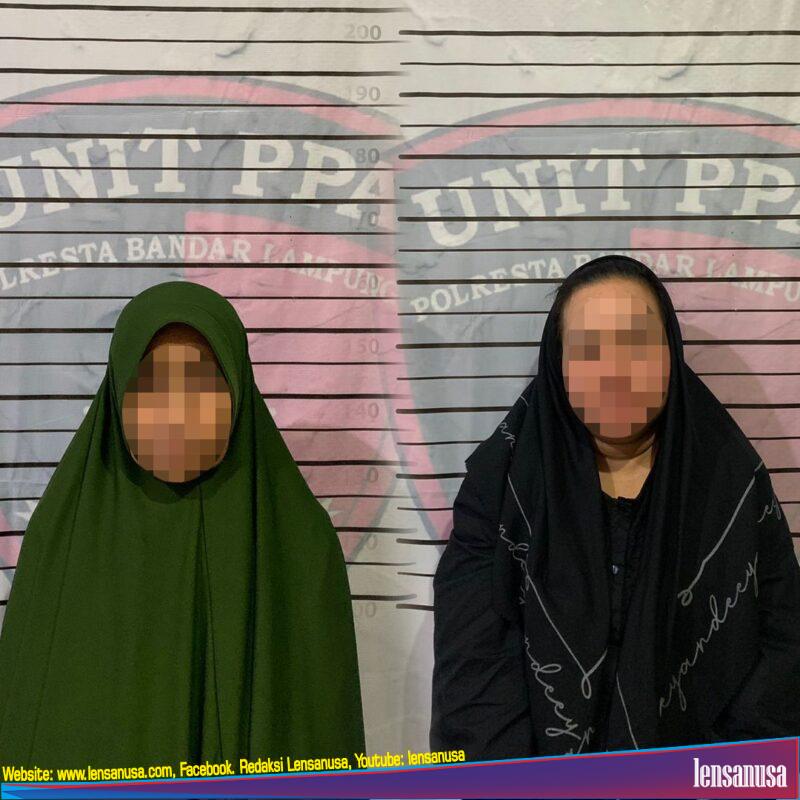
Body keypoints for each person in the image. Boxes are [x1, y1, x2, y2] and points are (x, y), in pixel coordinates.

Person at [430, 254, 800, 758]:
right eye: (589, 350)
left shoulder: (731, 481)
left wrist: (707, 777)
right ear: (558, 365)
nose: (615, 371)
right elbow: (474, 672)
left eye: (637, 344)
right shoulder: (500, 488)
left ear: (670, 353)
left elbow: (780, 658)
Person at [0, 280, 365, 768]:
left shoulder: (300, 548)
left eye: (200, 385)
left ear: (237, 390)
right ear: (118, 394)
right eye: (151, 386)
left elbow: (319, 736)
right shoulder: (61, 541)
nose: (175, 415)